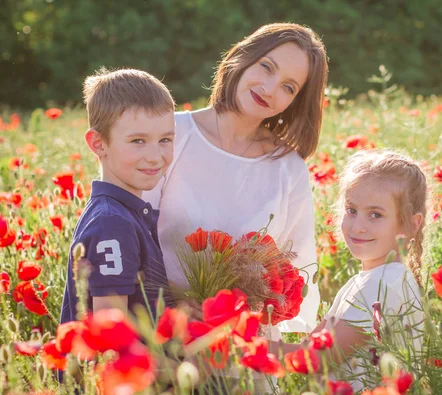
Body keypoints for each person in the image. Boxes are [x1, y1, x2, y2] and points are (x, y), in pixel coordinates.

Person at [143, 22, 328, 334]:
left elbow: (295, 267)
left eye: (288, 87)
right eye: (266, 67)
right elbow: (128, 231)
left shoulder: (287, 167)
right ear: (242, 58)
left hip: (241, 343)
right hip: (157, 327)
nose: (269, 88)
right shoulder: (170, 135)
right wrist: (175, 307)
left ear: (296, 101)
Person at [278, 149, 427, 392]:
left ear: (412, 223)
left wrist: (240, 349)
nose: (358, 226)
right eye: (352, 210)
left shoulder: (382, 284)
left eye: (375, 215)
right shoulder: (372, 279)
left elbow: (314, 358)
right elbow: (313, 344)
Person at [60, 68, 175, 324]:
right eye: (138, 141)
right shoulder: (113, 222)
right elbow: (111, 335)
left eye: (165, 139)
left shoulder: (124, 213)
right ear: (99, 144)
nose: (155, 156)